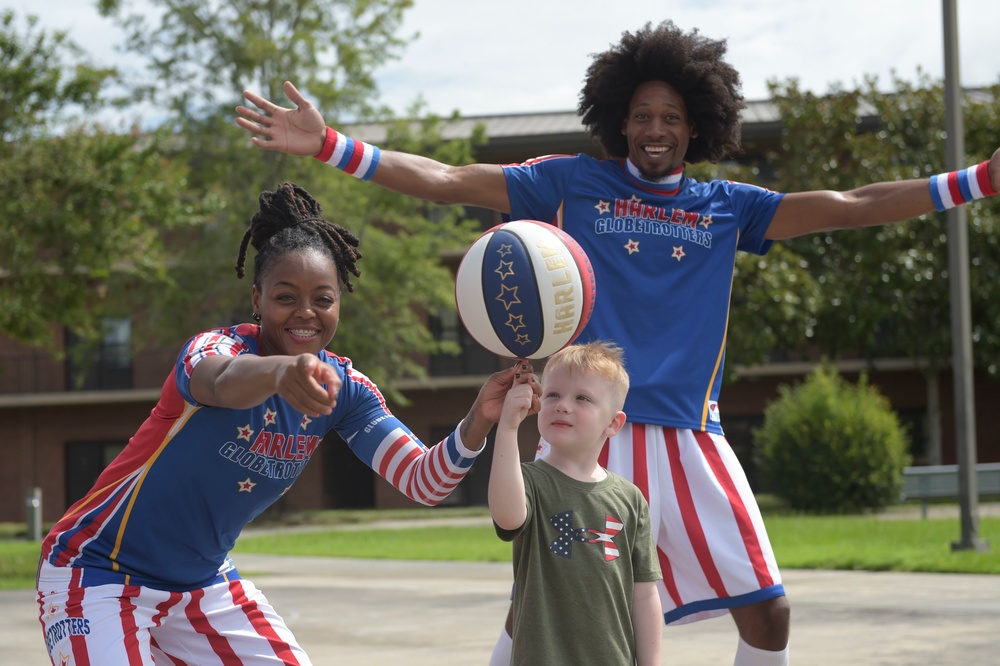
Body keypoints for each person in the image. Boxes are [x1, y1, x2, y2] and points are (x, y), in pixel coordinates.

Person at [234, 20, 1000, 666]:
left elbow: (848, 204)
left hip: (691, 437)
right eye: (641, 115)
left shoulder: (725, 207)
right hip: (584, 434)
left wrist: (976, 181)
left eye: (670, 116)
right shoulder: (573, 182)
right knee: (539, 612)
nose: (655, 129)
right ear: (618, 121)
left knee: (768, 613)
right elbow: (447, 179)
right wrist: (332, 145)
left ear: (696, 124)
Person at [36, 181, 537, 666]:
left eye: (323, 298)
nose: (306, 313)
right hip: (95, 572)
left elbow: (425, 482)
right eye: (285, 297)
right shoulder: (215, 350)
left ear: (339, 302)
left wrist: (480, 419)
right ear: (257, 299)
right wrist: (283, 372)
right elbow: (223, 381)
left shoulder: (347, 390)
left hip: (200, 586)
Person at [490, 341, 662, 665]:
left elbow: (645, 594)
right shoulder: (528, 480)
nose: (562, 406)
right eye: (553, 395)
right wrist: (508, 426)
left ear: (613, 423)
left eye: (581, 398)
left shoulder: (630, 499)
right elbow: (507, 517)